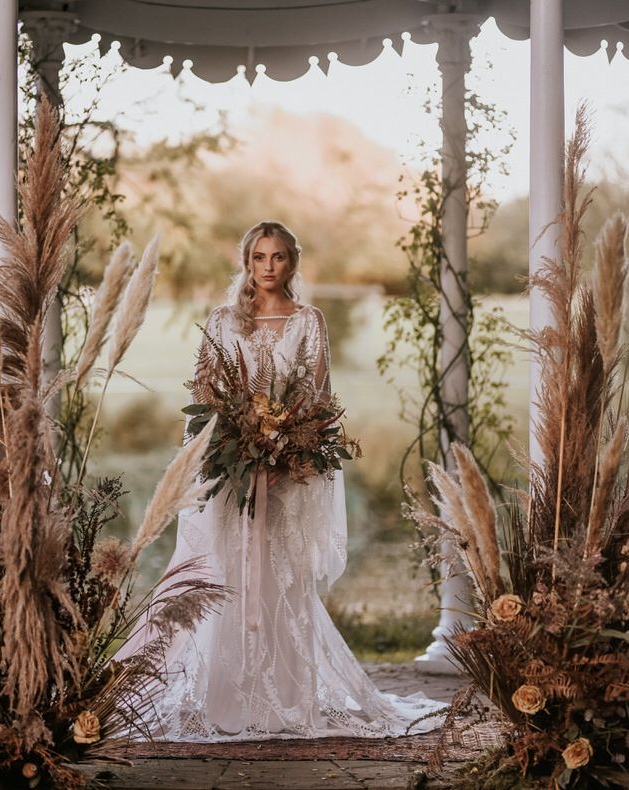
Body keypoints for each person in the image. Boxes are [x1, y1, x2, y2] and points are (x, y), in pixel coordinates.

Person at [122, 220, 445, 741]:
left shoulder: (309, 321)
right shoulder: (224, 320)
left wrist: (283, 453)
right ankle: (224, 691)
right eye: (258, 258)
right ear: (246, 263)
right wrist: (230, 450)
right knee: (224, 573)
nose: (268, 267)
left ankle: (283, 695)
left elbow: (317, 400)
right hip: (231, 471)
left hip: (285, 471)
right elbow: (207, 392)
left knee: (280, 575)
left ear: (292, 263)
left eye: (277, 257)